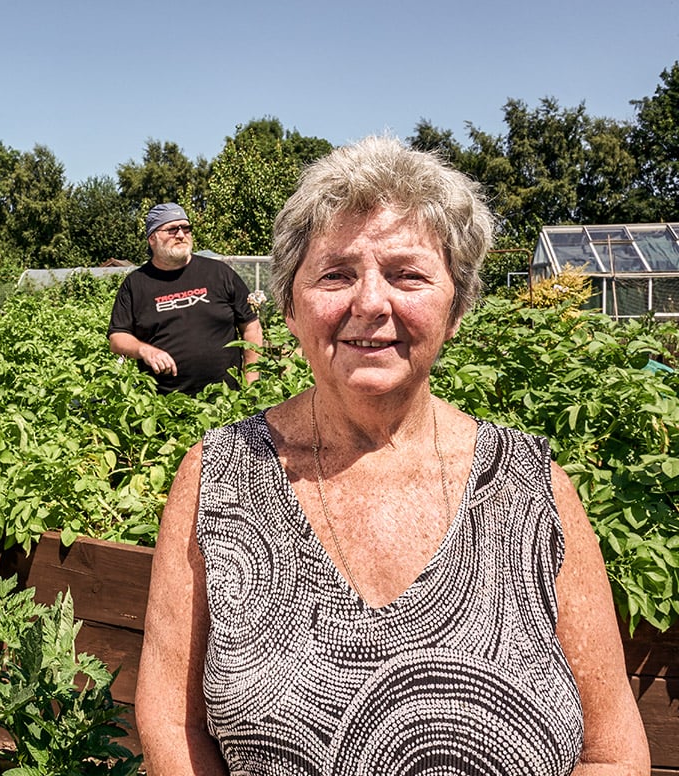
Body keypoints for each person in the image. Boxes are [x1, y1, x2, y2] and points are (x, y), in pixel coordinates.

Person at [135, 137, 650, 775]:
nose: (371, 303)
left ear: (456, 308)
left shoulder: (532, 488)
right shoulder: (217, 476)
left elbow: (614, 755)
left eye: (407, 274)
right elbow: (171, 722)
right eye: (335, 274)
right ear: (292, 308)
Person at [109, 203, 263, 395]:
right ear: (152, 238)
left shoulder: (219, 273)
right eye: (172, 229)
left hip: (227, 402)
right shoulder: (135, 284)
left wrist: (250, 385)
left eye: (186, 228)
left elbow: (251, 328)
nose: (181, 235)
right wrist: (145, 350)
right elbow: (117, 338)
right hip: (165, 407)